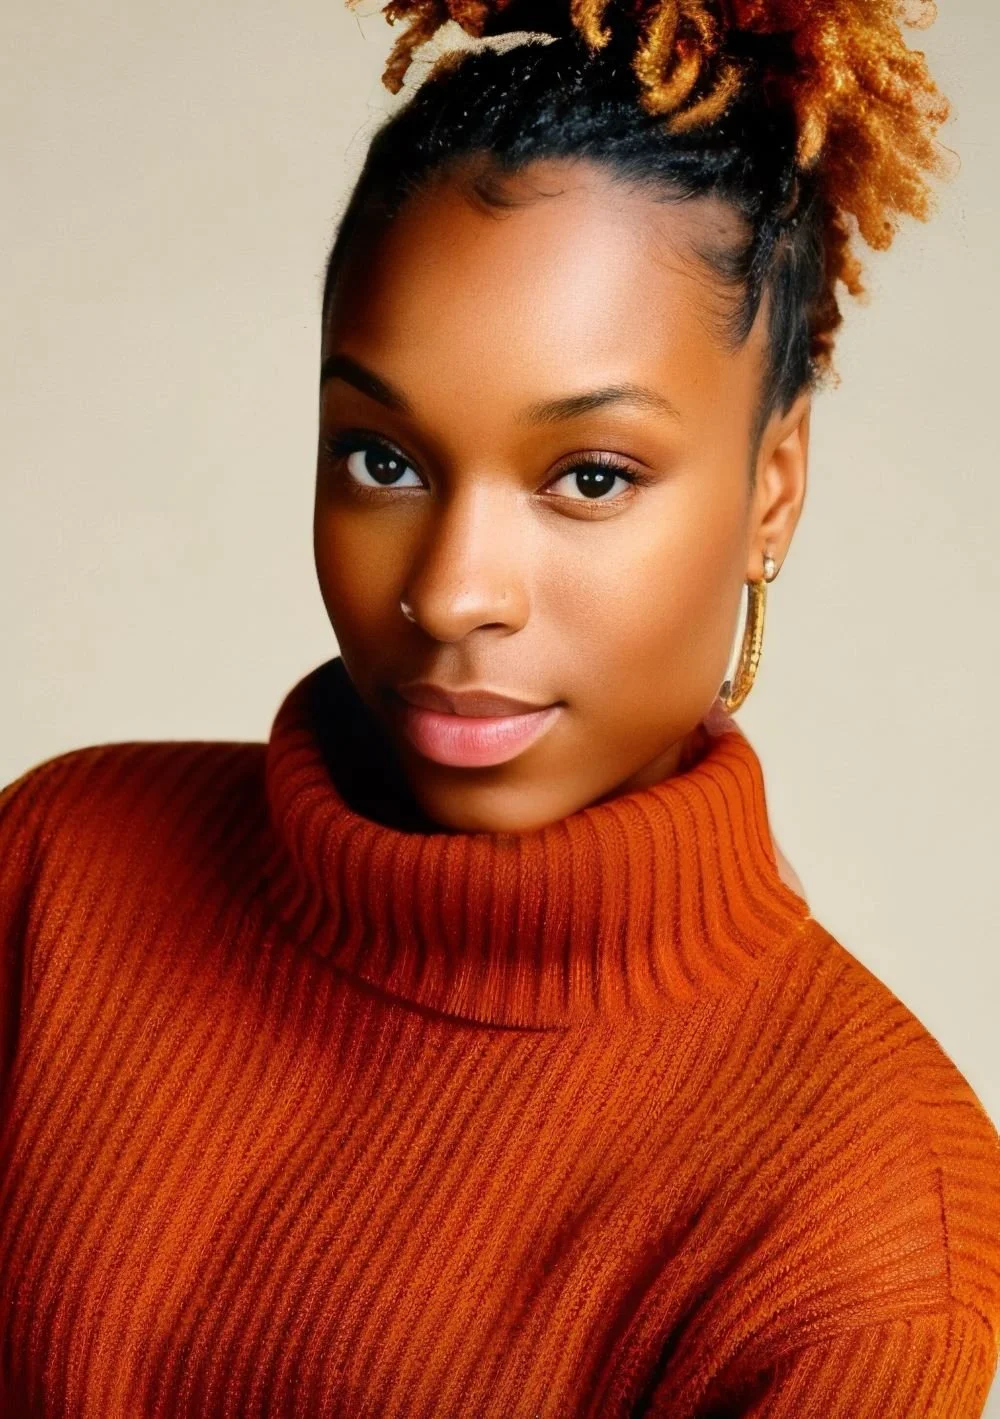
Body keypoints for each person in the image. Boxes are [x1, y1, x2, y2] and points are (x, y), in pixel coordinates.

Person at [1, 0, 998, 1413]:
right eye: (384, 458)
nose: (456, 592)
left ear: (773, 488)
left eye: (588, 474)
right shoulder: (55, 874)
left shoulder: (862, 1207)